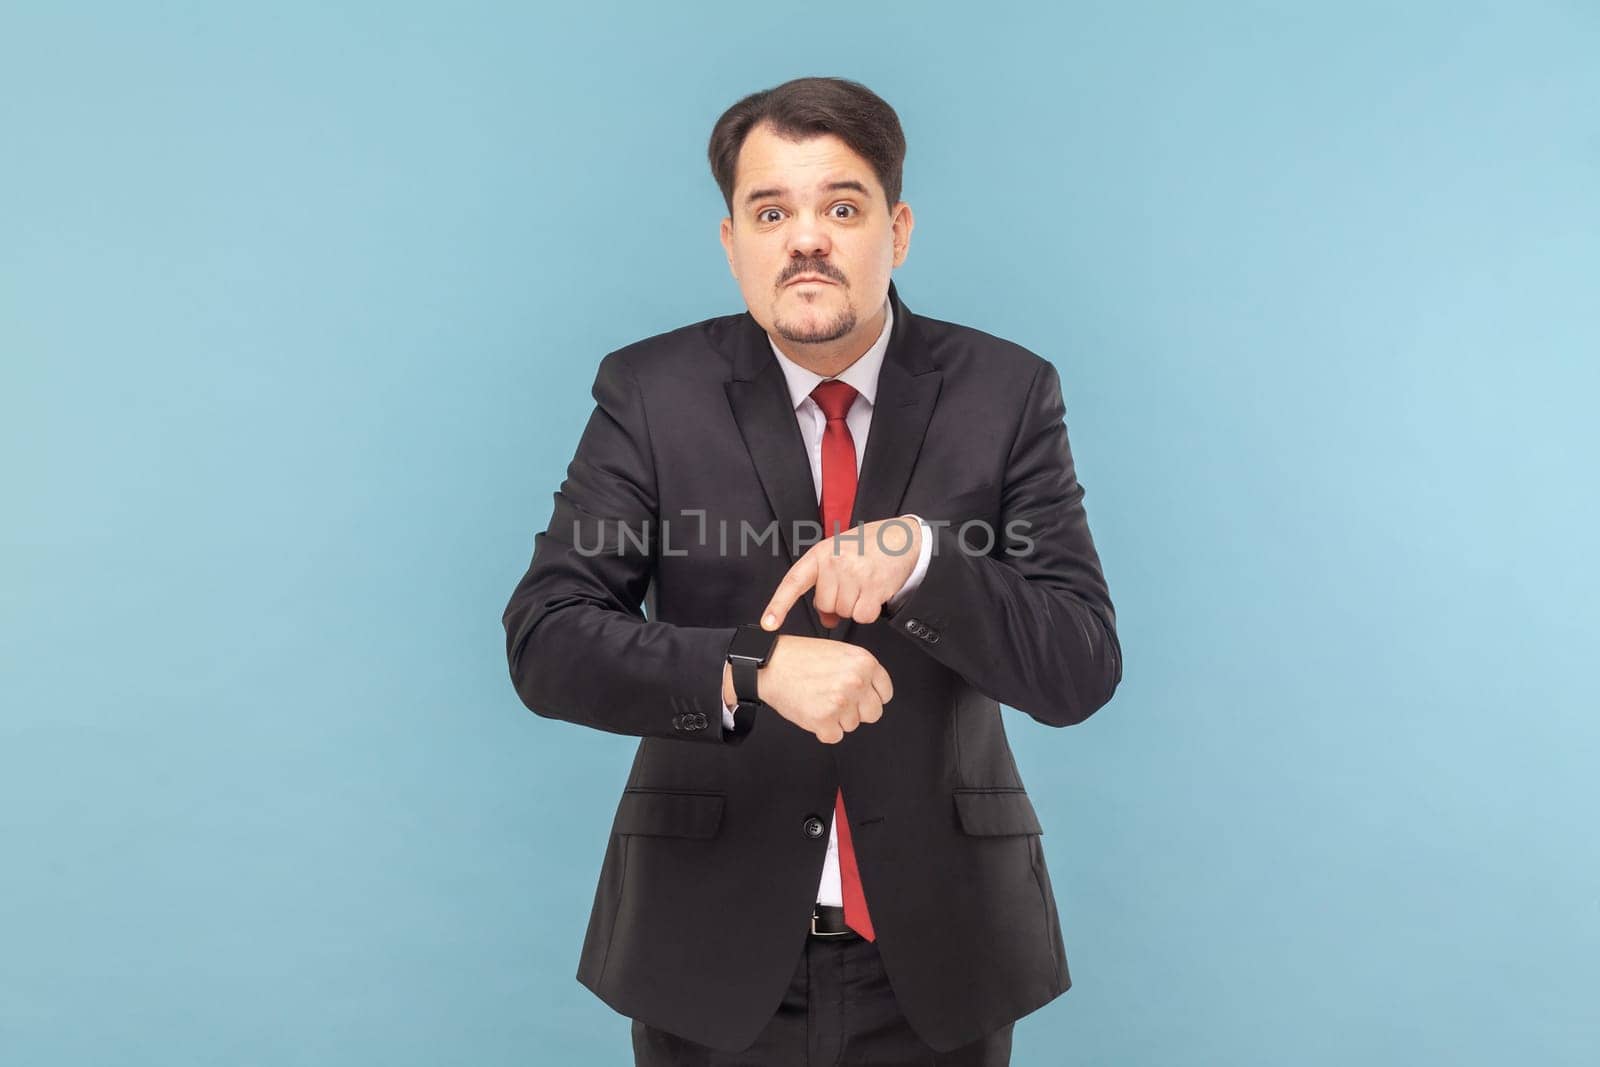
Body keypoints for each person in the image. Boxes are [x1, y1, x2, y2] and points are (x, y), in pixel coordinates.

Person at [501, 75, 1122, 1066]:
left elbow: (1079, 664)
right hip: (705, 949)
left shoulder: (1006, 394)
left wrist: (924, 557)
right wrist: (749, 668)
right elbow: (548, 639)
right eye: (770, 210)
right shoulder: (650, 393)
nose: (806, 238)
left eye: (841, 206)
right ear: (732, 242)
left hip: (942, 956)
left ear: (897, 227)